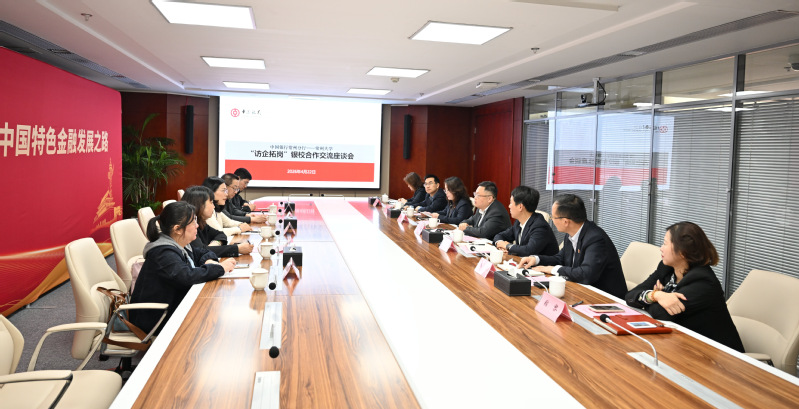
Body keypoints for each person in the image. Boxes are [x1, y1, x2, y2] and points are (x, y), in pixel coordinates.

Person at [625, 222, 744, 352]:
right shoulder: (666, 269)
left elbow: (661, 314)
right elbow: (630, 296)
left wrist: (649, 300)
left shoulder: (703, 281)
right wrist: (656, 295)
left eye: (665, 243)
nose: (661, 248)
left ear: (682, 252)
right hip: (683, 345)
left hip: (719, 356)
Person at [129, 201, 234, 334]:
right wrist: (220, 268)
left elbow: (203, 252)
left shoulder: (181, 243)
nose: (197, 225)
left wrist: (210, 261)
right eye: (193, 222)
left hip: (175, 307)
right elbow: (187, 276)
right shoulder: (163, 253)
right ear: (178, 229)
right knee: (215, 325)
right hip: (156, 318)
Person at [519, 194, 627, 298]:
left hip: (606, 299)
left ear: (565, 222)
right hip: (582, 291)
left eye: (553, 217)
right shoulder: (571, 234)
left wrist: (553, 269)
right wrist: (536, 259)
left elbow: (586, 274)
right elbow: (560, 258)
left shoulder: (595, 239)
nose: (552, 221)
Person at [182, 186, 253, 258]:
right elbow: (201, 251)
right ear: (199, 204)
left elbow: (220, 234)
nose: (213, 207)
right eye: (211, 203)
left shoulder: (201, 222)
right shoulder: (189, 226)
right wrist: (237, 249)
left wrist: (215, 244)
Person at [493, 186, 558, 257]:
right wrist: (500, 244)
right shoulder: (518, 222)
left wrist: (508, 246)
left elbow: (529, 251)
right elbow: (500, 235)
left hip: (542, 264)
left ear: (520, 207)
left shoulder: (540, 226)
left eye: (511, 203)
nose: (509, 206)